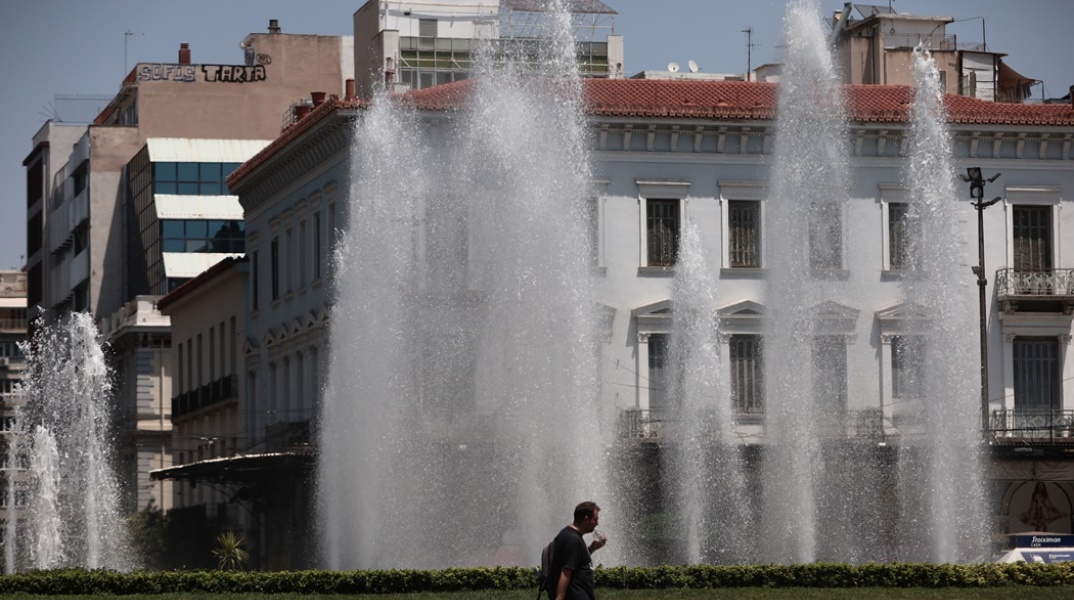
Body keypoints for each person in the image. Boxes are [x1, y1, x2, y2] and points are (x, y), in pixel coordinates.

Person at [545, 501, 608, 600]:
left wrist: (592, 548)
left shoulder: (572, 536)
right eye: (595, 519)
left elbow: (576, 560)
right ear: (586, 519)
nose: (597, 523)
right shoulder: (572, 539)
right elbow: (566, 571)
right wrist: (559, 597)